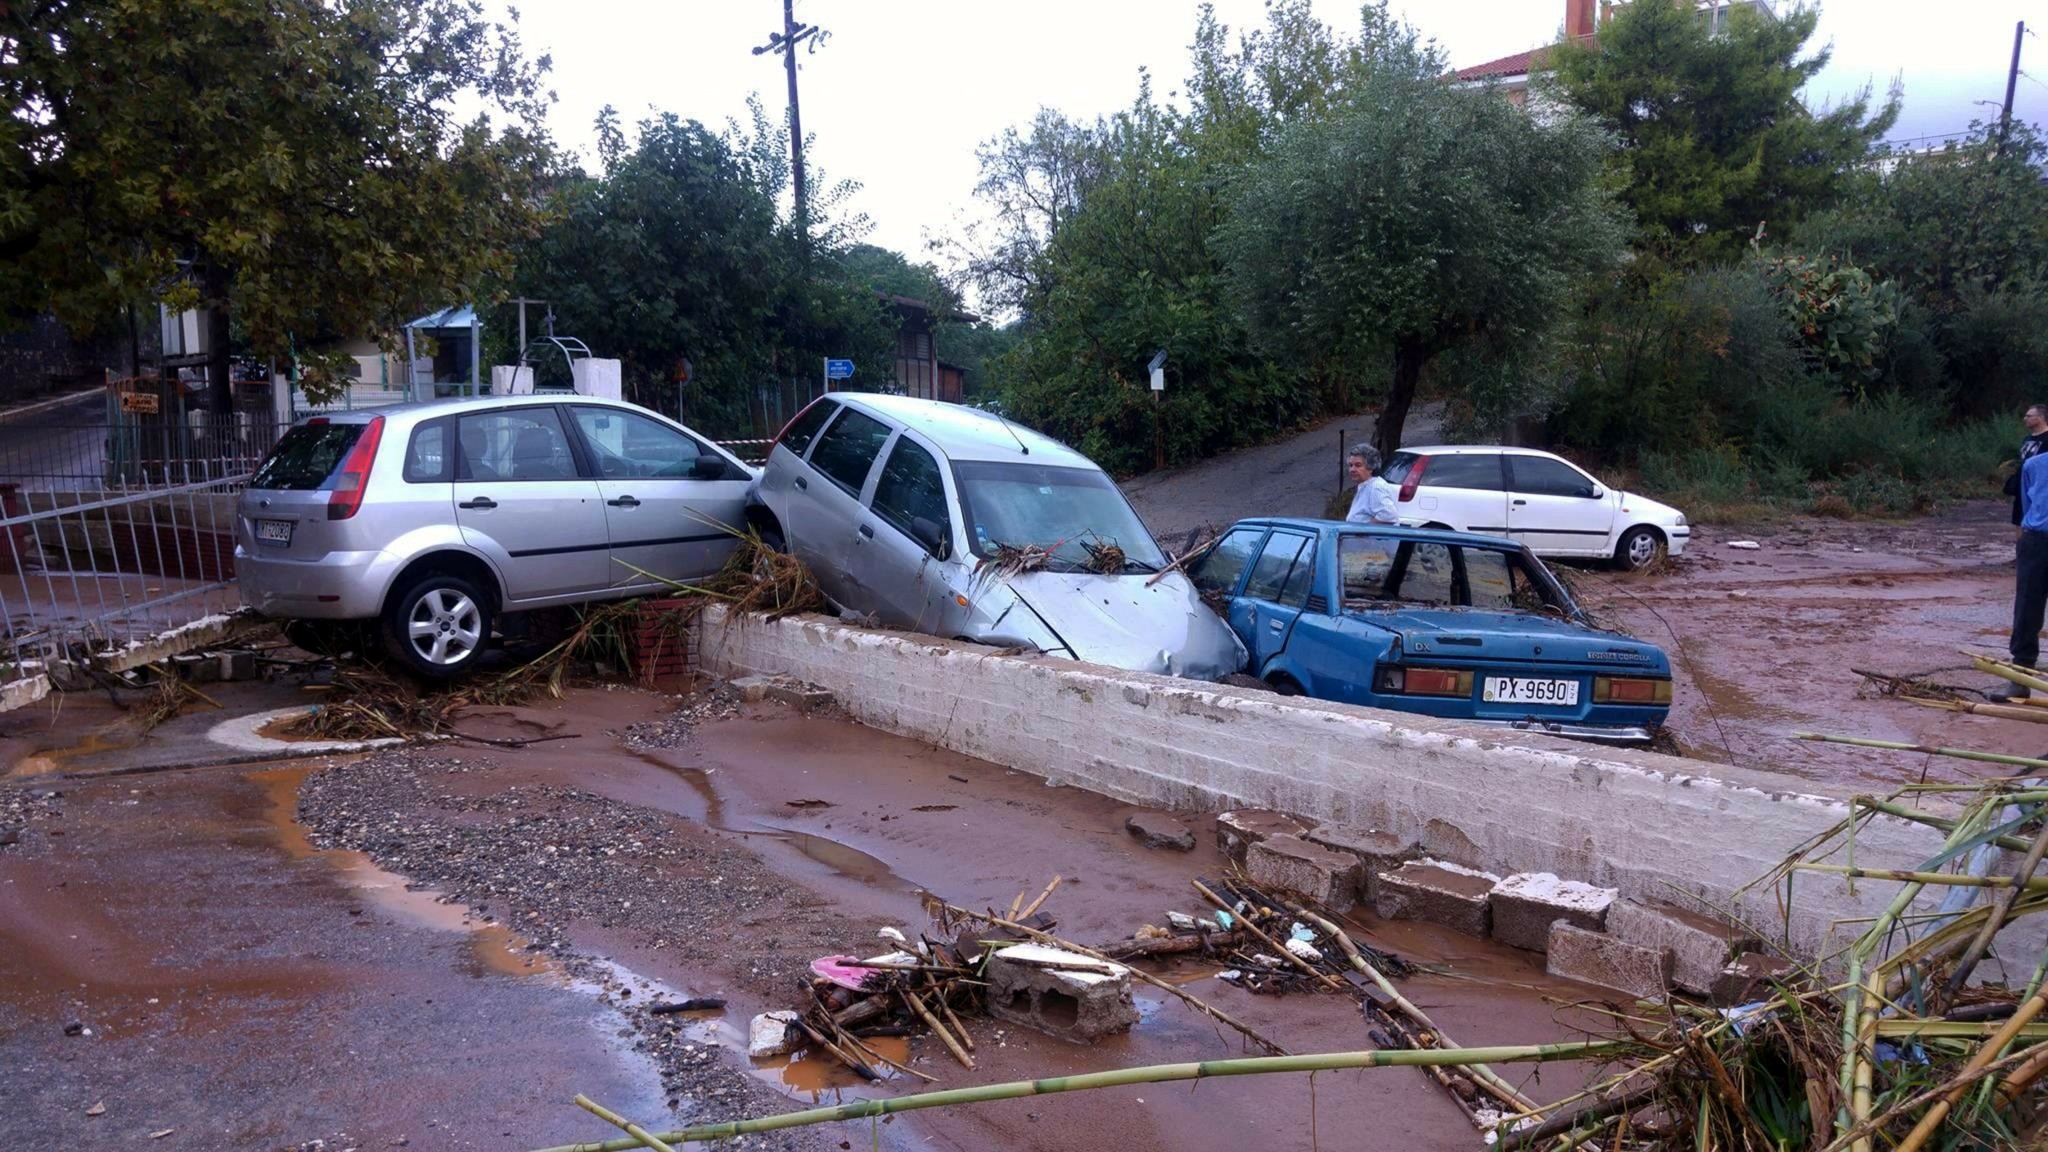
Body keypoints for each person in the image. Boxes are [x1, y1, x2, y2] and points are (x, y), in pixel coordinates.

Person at [1994, 444, 2048, 700]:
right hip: (2037, 539)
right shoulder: (2034, 465)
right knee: (2027, 606)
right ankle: (2019, 677)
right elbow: (2027, 503)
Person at [2005, 404, 2048, 532]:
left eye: (2029, 416)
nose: (2025, 418)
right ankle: (2021, 549)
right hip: (2023, 484)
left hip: (2039, 487)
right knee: (2019, 518)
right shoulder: (2027, 439)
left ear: (2040, 418)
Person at [1344, 445, 1398, 525]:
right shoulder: (1365, 486)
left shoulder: (1376, 487)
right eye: (1351, 465)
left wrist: (1363, 530)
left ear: (1371, 467)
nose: (1352, 469)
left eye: (1358, 465)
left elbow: (1388, 515)